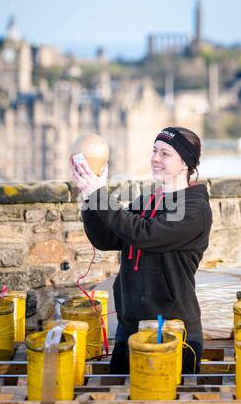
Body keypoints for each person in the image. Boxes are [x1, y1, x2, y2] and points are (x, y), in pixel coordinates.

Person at [70, 126, 212, 375]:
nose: (156, 159)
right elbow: (106, 238)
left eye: (166, 154)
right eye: (154, 151)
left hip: (171, 330)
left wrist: (100, 196)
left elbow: (144, 234)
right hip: (130, 328)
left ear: (186, 163)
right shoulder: (147, 202)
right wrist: (90, 198)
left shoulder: (195, 209)